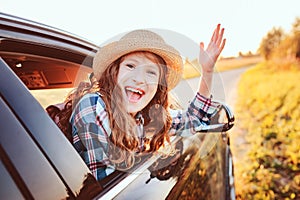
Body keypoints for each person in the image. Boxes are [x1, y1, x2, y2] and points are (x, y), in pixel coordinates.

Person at [51, 24, 226, 181]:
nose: (139, 79)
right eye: (131, 66)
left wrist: (207, 71)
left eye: (150, 72)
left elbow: (192, 120)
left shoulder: (145, 117)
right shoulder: (92, 106)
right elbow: (104, 178)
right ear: (115, 73)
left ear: (158, 86)